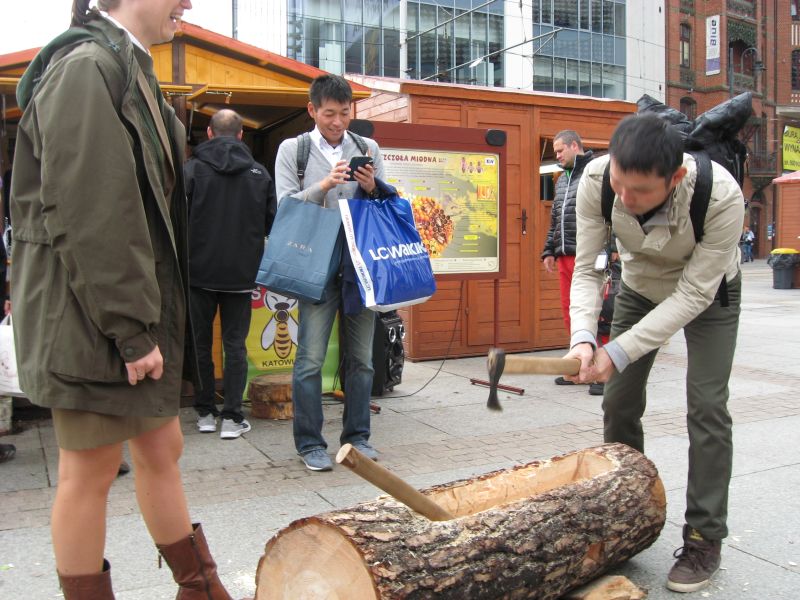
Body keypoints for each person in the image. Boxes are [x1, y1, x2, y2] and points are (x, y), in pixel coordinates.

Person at [9, 2, 233, 598]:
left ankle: (200, 588)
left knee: (163, 443)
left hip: (119, 306)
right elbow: (91, 212)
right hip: (88, 313)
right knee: (90, 467)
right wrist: (131, 330)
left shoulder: (126, 67)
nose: (188, 3)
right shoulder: (87, 67)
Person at [565, 113, 743, 593]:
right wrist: (584, 337)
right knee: (618, 402)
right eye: (620, 184)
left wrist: (617, 350)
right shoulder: (597, 181)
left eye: (641, 191)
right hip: (640, 288)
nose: (626, 198)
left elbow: (692, 296)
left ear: (676, 177)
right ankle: (629, 515)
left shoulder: (721, 196)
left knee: (707, 406)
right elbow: (587, 269)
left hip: (709, 295)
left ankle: (705, 535)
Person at [274, 74, 384, 472]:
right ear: (312, 110)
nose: (338, 122)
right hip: (316, 260)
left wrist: (373, 187)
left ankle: (358, 437)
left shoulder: (366, 146)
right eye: (329, 114)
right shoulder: (294, 149)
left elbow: (386, 201)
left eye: (344, 113)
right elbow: (284, 205)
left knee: (362, 359)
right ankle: (309, 443)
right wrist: (323, 184)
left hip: (359, 263)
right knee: (309, 359)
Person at [185, 109, 276, 439]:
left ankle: (206, 412)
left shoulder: (192, 169)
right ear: (241, 135)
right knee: (235, 345)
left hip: (198, 272)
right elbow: (271, 224)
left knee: (200, 344)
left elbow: (178, 222)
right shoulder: (259, 174)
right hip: (241, 274)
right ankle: (233, 417)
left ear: (209, 133)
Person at [541, 130, 594, 390]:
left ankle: (599, 369)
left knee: (599, 311)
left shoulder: (595, 173)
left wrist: (615, 246)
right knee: (569, 312)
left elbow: (612, 210)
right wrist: (548, 250)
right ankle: (576, 365)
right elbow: (555, 218)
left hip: (589, 255)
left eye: (561, 150)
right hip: (564, 254)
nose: (558, 156)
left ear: (575, 145)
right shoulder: (561, 179)